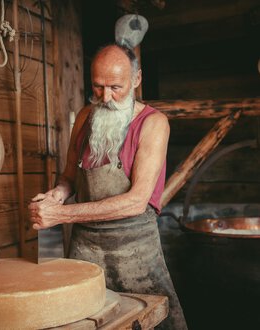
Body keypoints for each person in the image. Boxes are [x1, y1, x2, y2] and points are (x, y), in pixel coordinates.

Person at [29, 43, 188, 329]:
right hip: (85, 249)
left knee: (155, 320)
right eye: (98, 87)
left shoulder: (153, 123)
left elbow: (136, 201)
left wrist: (62, 215)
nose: (106, 97)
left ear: (136, 80)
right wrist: (56, 197)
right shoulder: (84, 117)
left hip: (135, 249)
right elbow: (69, 178)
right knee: (82, 321)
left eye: (116, 87)